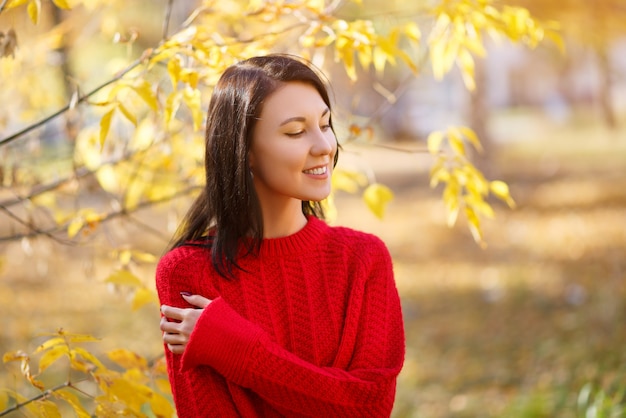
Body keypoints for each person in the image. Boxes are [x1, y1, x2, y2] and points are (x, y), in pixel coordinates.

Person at [156, 54, 405, 418]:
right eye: (296, 132)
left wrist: (236, 350)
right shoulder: (188, 272)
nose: (324, 146)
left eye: (325, 124)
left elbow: (369, 407)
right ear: (246, 151)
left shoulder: (363, 258)